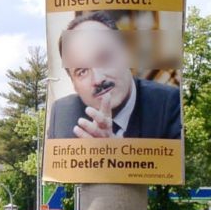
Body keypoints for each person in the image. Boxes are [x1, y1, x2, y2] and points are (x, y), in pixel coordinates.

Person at [47, 11, 181, 140]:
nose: (98, 79)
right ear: (73, 84)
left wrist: (115, 152)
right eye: (82, 71)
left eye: (104, 59)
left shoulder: (170, 105)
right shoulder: (61, 116)